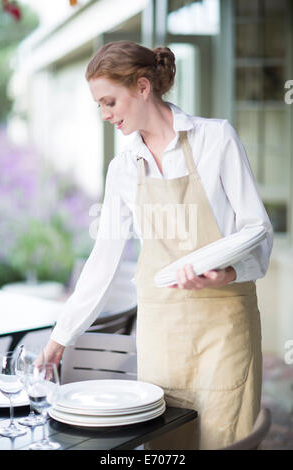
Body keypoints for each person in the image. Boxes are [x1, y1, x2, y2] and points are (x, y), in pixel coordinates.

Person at [43, 41, 273, 449]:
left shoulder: (214, 139)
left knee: (225, 439)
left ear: (143, 87)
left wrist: (229, 272)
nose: (105, 115)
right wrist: (61, 337)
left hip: (224, 327)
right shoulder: (122, 168)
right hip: (162, 333)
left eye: (110, 101)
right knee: (168, 449)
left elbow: (257, 229)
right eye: (99, 105)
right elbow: (104, 259)